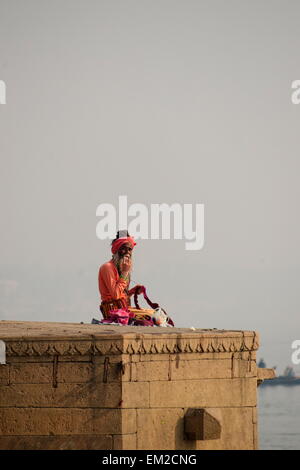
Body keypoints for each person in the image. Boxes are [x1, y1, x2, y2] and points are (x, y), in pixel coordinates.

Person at [98, 231, 143, 318]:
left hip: (124, 310)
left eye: (130, 249)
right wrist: (125, 272)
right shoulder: (107, 267)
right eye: (124, 248)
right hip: (113, 313)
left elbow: (121, 294)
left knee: (154, 316)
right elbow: (116, 295)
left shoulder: (122, 268)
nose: (127, 253)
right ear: (117, 249)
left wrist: (132, 291)